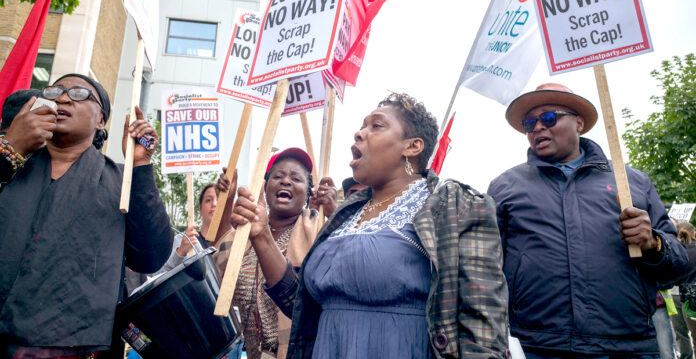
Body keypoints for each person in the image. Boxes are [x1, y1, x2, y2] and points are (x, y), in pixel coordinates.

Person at [231, 93, 508, 358]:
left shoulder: (455, 207)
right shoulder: (344, 217)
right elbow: (301, 305)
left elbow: (482, 328)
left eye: (376, 125)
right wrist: (262, 235)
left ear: (412, 146)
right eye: (361, 126)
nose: (359, 133)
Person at [489, 83, 688, 358]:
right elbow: (487, 269)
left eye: (548, 118)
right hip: (538, 347)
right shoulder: (505, 187)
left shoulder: (631, 182)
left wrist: (655, 245)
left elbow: (680, 266)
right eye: (529, 122)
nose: (536, 128)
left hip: (628, 346)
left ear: (579, 123)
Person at [0, 74, 173, 358]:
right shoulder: (14, 162)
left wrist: (139, 165)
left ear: (100, 120)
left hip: (76, 347)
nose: (64, 98)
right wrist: (9, 148)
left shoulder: (121, 180)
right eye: (55, 92)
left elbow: (151, 256)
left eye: (80, 94)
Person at [214, 148, 337, 359]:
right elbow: (218, 266)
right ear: (265, 187)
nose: (285, 181)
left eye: (296, 178)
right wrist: (228, 198)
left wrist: (335, 214)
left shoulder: (317, 230)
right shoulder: (246, 233)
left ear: (309, 193)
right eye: (277, 176)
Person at [673, 221, 696, 358]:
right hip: (692, 298)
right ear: (693, 233)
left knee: (681, 334)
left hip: (676, 294)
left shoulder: (676, 250)